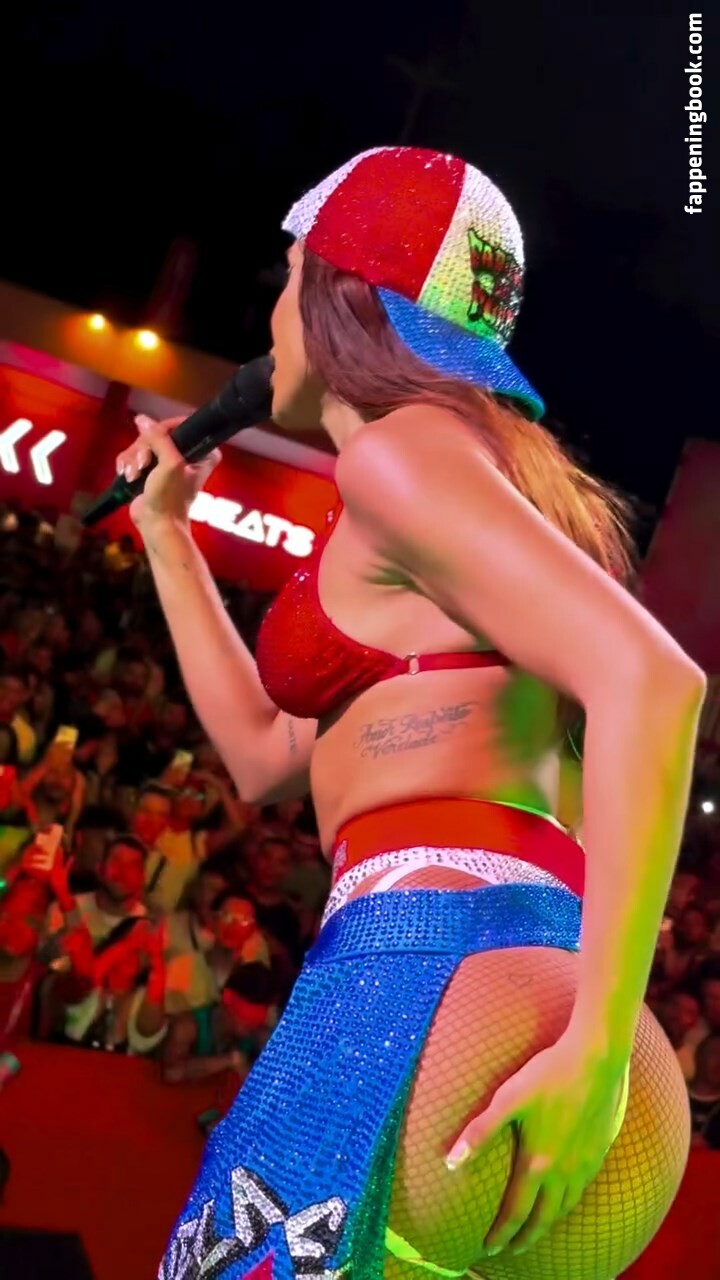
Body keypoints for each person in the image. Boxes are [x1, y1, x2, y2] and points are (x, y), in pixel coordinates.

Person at [116, 147, 706, 1280]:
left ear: (341, 293)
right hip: (548, 981)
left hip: (432, 969)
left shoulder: (396, 456)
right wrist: (168, 534)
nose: (273, 310)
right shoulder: (480, 484)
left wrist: (591, 1052)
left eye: (291, 274)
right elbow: (264, 757)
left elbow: (654, 682)